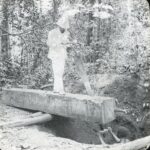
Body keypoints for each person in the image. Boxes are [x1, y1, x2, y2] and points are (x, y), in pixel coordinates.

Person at [47, 19, 70, 94]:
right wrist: (57, 44)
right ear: (59, 25)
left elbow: (67, 43)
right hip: (55, 54)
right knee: (57, 71)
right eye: (62, 26)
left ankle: (56, 89)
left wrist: (68, 44)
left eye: (65, 27)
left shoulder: (66, 33)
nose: (63, 28)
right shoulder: (52, 32)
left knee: (61, 71)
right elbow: (49, 43)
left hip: (62, 54)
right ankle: (60, 89)